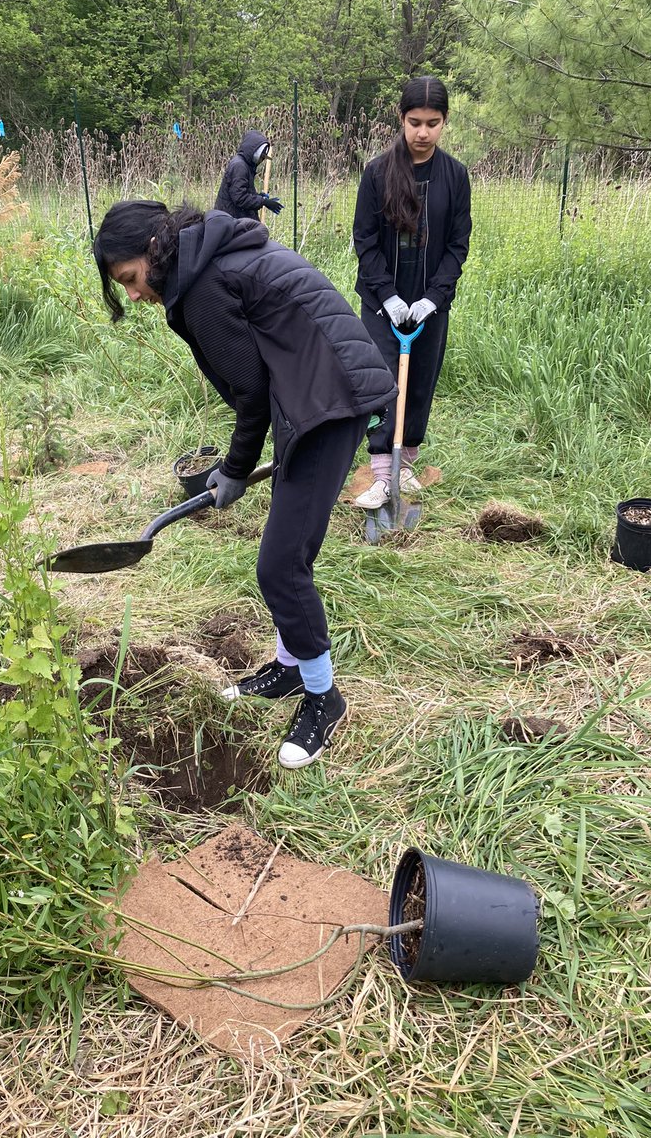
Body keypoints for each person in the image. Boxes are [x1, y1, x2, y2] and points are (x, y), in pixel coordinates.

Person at [93, 202, 396, 769]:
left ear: (155, 249)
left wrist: (234, 469)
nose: (133, 295)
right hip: (312, 392)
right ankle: (289, 667)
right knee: (287, 548)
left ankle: (324, 698)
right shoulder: (207, 256)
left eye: (131, 279)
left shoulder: (204, 285)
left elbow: (250, 390)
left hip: (330, 400)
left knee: (281, 566)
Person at [352, 76, 472, 509]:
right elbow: (365, 240)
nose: (423, 133)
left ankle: (406, 465)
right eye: (415, 122)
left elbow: (457, 245)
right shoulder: (377, 173)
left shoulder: (455, 176)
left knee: (420, 382)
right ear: (401, 119)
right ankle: (382, 473)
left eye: (432, 123)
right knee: (383, 383)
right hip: (381, 304)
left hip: (428, 305)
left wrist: (433, 299)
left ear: (444, 122)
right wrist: (387, 295)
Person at [214, 129, 284, 221]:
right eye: (261, 157)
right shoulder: (239, 166)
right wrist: (263, 201)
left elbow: (241, 191)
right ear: (254, 152)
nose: (262, 160)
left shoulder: (245, 165)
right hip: (230, 220)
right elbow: (240, 198)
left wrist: (259, 197)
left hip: (234, 218)